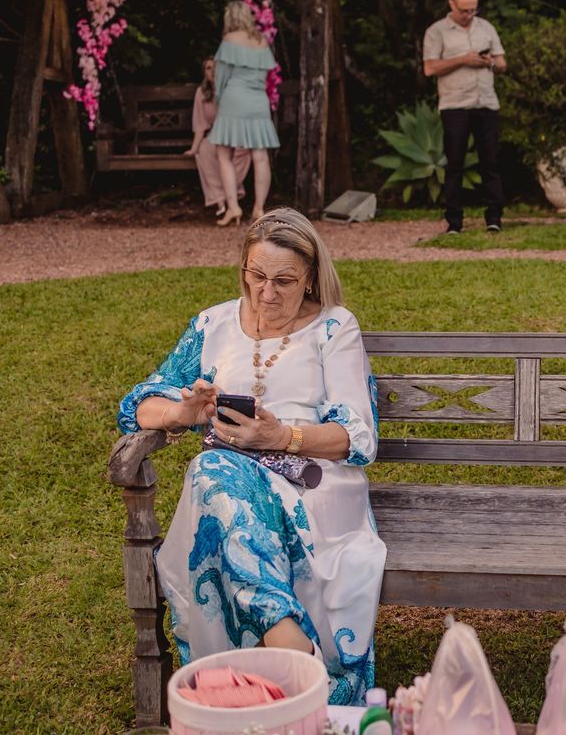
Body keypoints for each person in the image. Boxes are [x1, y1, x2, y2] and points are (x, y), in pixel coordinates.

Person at [117, 207, 384, 704]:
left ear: (310, 279)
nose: (267, 293)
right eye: (257, 276)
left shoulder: (333, 328)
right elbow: (139, 405)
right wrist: (184, 413)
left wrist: (281, 435)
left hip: (313, 482)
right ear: (243, 268)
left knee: (210, 474)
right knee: (215, 469)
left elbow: (357, 437)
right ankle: (292, 648)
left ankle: (266, 669)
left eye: (284, 280)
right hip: (231, 480)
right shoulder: (212, 323)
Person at [422, 0, 507, 234]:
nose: (469, 15)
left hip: (486, 103)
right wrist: (462, 60)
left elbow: (503, 62)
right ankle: (454, 221)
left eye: (473, 10)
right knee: (455, 163)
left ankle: (494, 218)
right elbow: (429, 68)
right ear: (452, 5)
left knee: (490, 162)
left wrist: (490, 62)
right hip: (455, 105)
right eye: (464, 11)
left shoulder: (486, 28)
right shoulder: (437, 32)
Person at [210, 0, 280, 227]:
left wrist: (220, 101)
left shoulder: (229, 41)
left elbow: (220, 79)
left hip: (234, 98)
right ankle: (259, 208)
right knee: (260, 156)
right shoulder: (261, 42)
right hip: (259, 100)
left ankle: (233, 207)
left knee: (223, 154)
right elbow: (267, 76)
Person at [186, 57, 252, 216]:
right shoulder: (201, 92)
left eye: (216, 67)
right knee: (205, 150)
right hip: (215, 135)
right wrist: (194, 148)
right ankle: (220, 200)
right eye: (208, 68)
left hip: (235, 134)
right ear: (204, 73)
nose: (213, 71)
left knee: (240, 152)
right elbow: (201, 124)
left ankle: (230, 199)